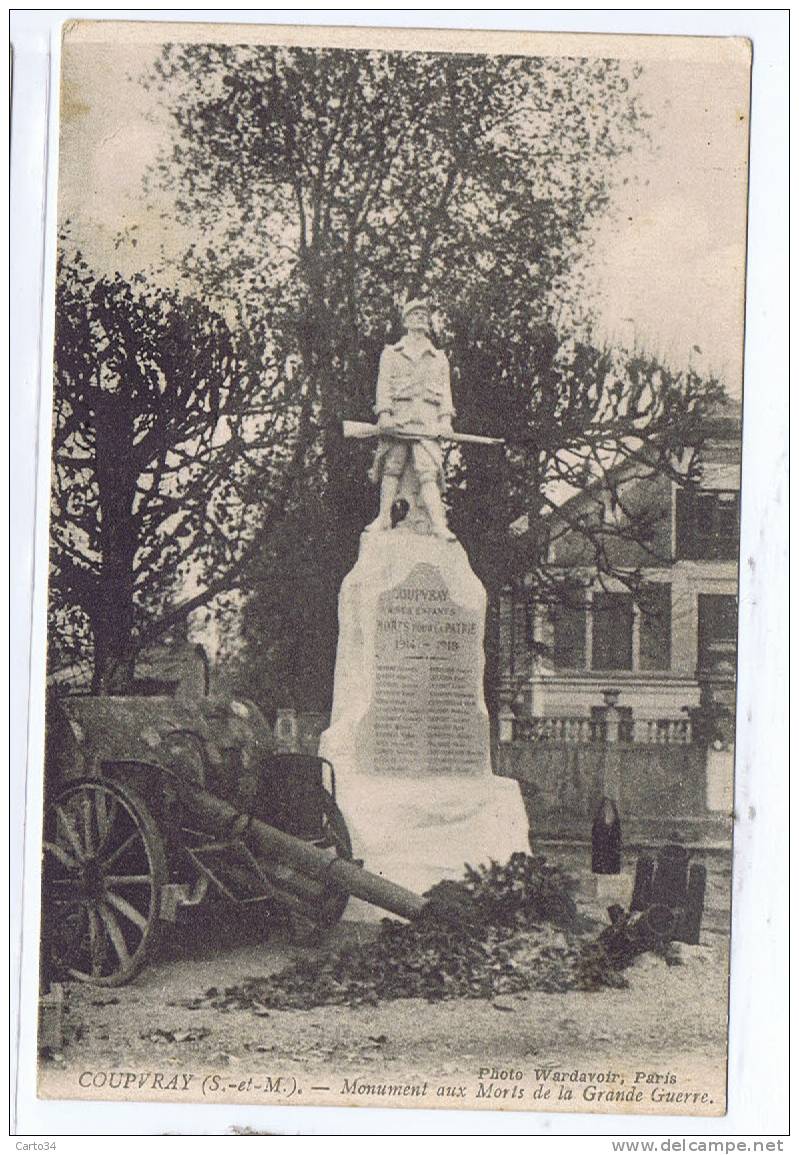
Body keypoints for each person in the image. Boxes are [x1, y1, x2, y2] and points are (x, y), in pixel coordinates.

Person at [365, 299, 456, 540]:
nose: (419, 318)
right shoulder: (392, 354)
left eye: (423, 315)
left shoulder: (438, 358)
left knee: (428, 472)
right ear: (405, 321)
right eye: (414, 314)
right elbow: (383, 387)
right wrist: (384, 415)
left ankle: (438, 523)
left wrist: (445, 420)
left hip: (427, 423)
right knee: (391, 468)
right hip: (399, 421)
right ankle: (384, 516)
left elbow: (445, 393)